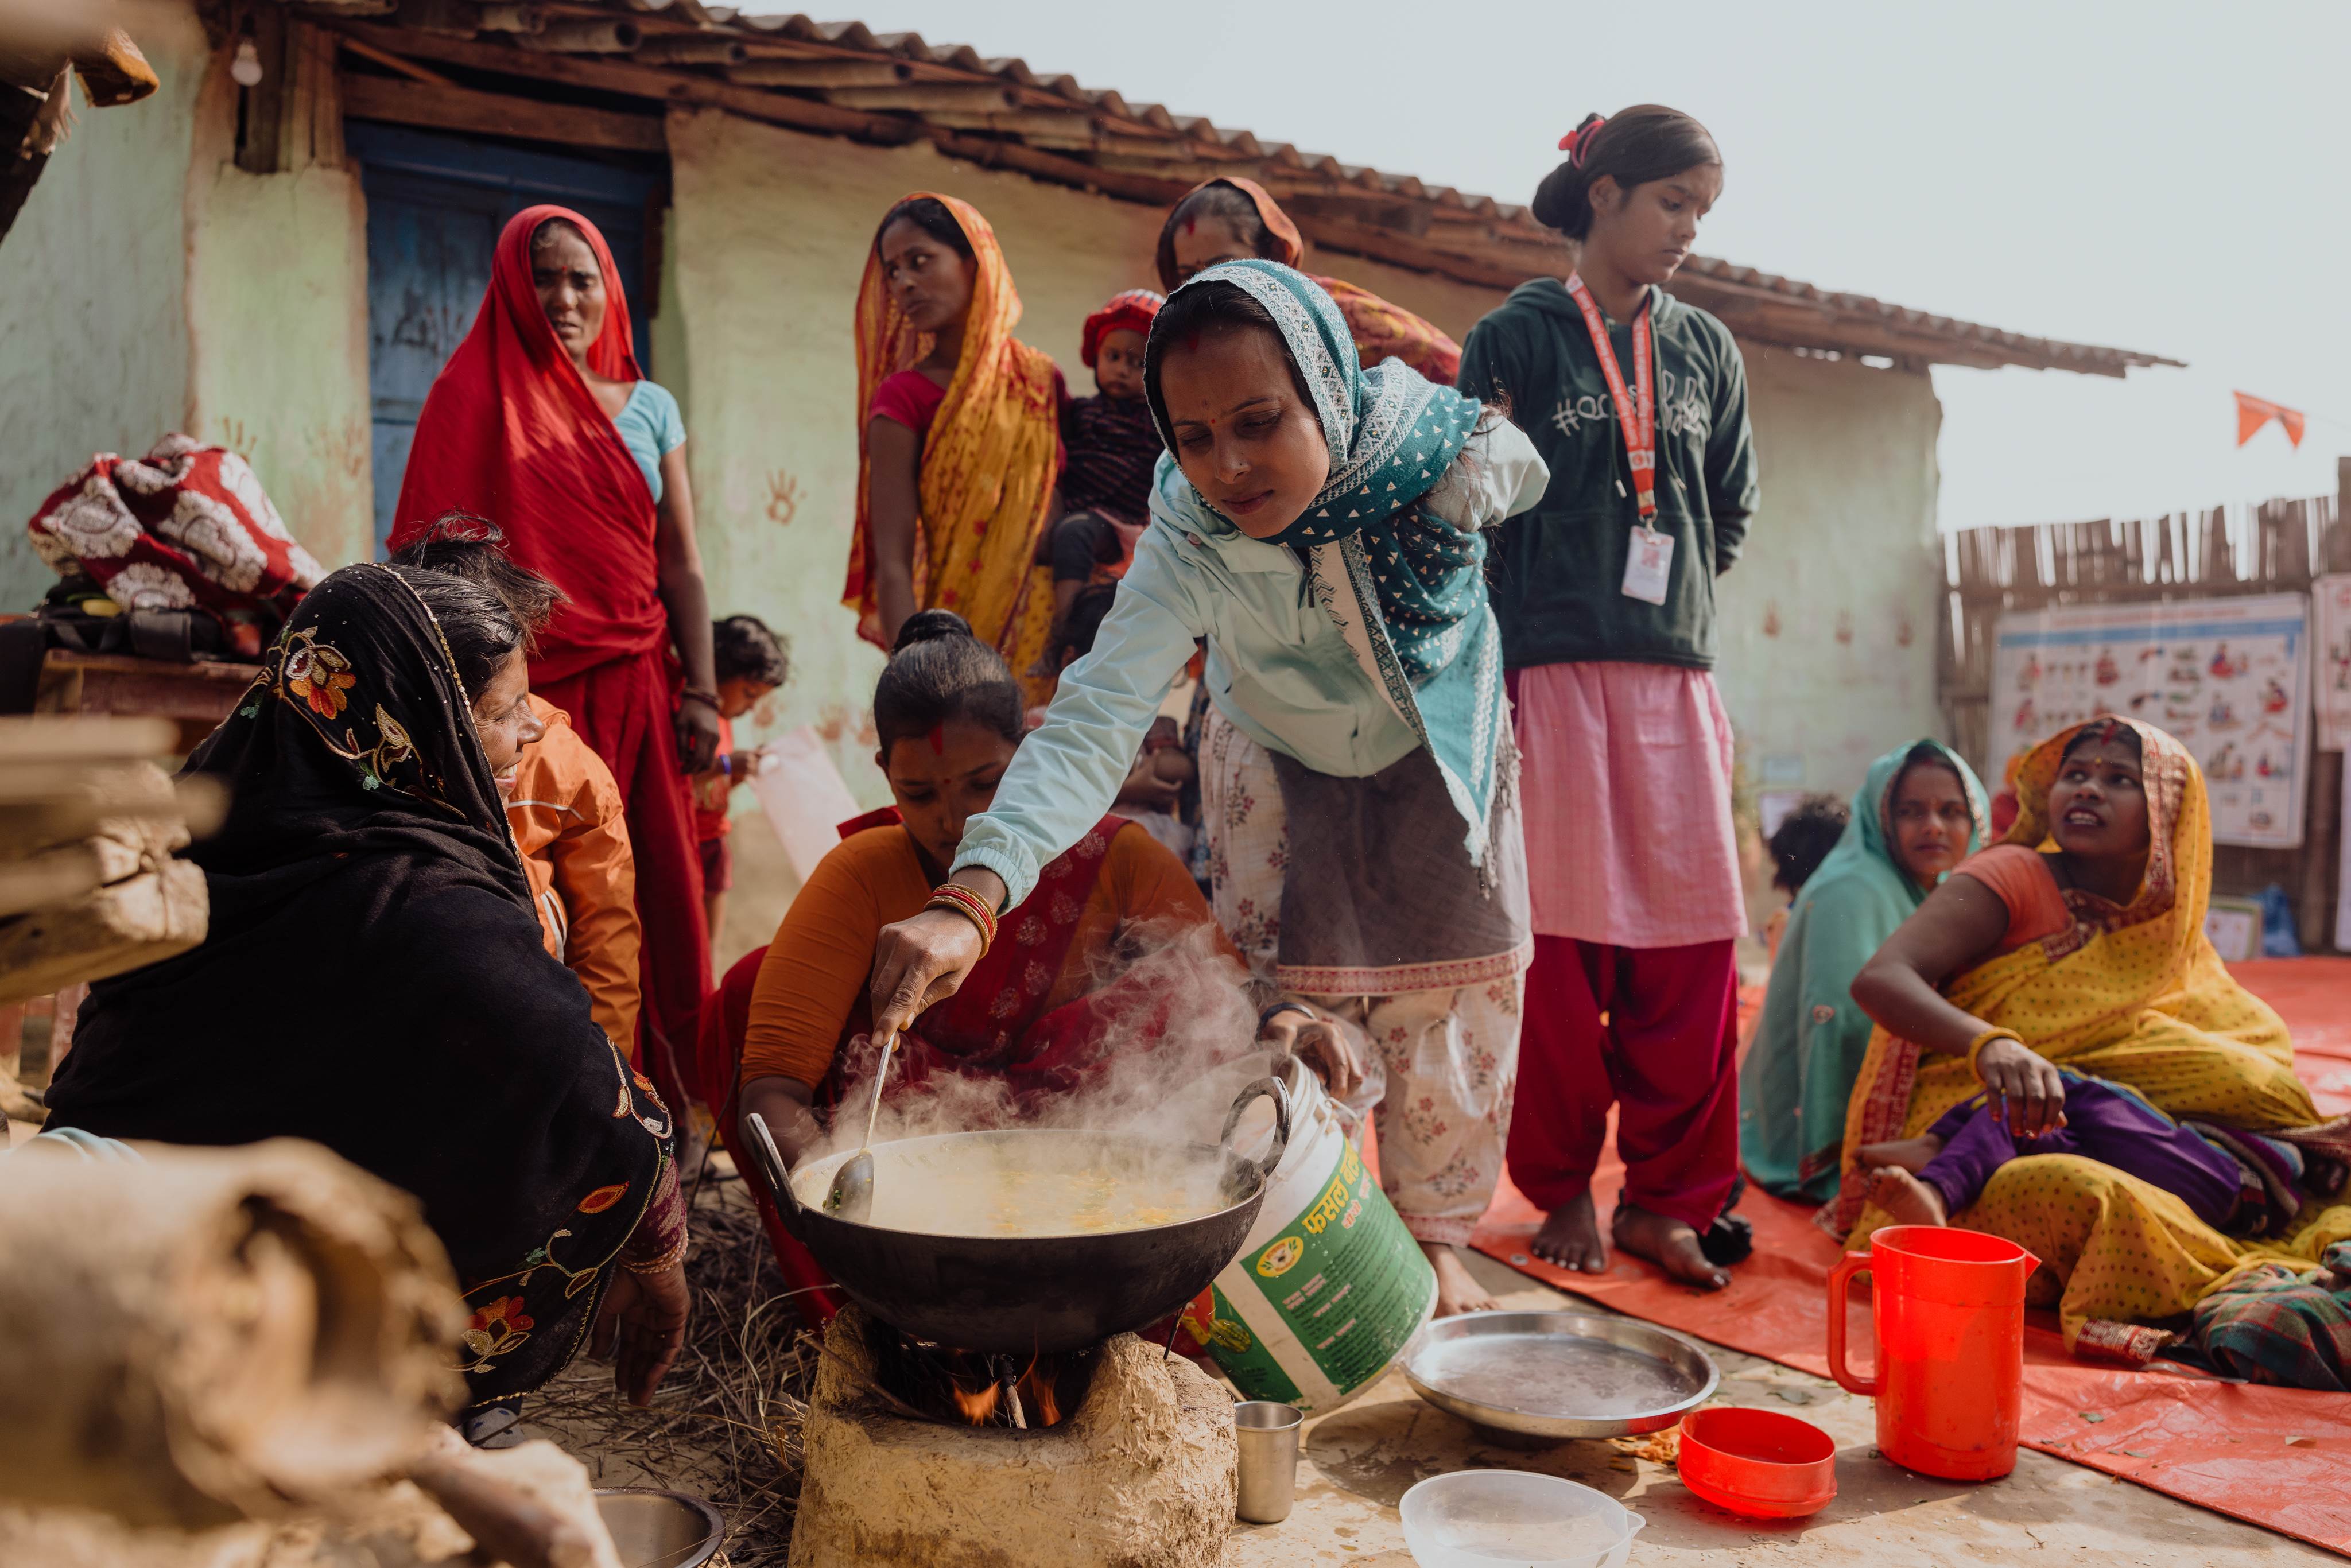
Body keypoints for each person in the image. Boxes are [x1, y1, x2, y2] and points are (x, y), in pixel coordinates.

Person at [864, 262, 1551, 1318]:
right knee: (1289, 1003)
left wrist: (1469, 491)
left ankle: (1439, 1239)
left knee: (1452, 1006)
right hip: (1273, 754)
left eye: (1260, 420)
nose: (1226, 465)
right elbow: (1094, 716)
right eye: (1192, 436)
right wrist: (973, 896)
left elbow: (1526, 463)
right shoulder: (1189, 531)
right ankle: (1332, 1222)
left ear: (1325, 389)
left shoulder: (1421, 441)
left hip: (1437, 747)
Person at [45, 564, 690, 1420]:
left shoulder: (196, 844)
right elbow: (592, 1097)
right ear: (410, 723)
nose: (530, 731)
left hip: (73, 1277)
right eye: (501, 714)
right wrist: (658, 1251)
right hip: (243, 1352)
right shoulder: (430, 915)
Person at [720, 612, 1254, 1290]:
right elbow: (772, 1090)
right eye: (918, 792)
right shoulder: (863, 871)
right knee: (748, 984)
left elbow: (1227, 1021)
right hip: (905, 1183)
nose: (956, 821)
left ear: (1030, 753)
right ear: (883, 773)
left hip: (1094, 1161)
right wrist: (853, 1220)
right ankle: (866, 1328)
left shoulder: (1114, 858)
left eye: (985, 784)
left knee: (1183, 991)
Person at [1458, 106, 1756, 1291]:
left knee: (1690, 954)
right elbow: (1472, 500)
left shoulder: (1708, 350)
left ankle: (1669, 1200)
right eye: (1672, 203)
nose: (1688, 230)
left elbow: (1725, 506)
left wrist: (1659, 594)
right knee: (1561, 954)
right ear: (1602, 196)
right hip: (1549, 673)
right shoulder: (1513, 338)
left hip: (1674, 676)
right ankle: (1563, 1184)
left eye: (1702, 211)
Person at [1839, 718, 2344, 1365]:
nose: (2088, 789)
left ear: (2169, 814)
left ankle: (1944, 1159)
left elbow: (2240, 1057)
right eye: (2074, 774)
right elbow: (1881, 978)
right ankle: (1939, 1176)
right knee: (2071, 1188)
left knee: (2191, 1107)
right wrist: (1993, 1045)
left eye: (2119, 779)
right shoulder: (2015, 874)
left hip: (2177, 1150)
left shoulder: (2164, 927)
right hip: (2001, 1108)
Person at [391, 205, 716, 1116]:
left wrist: (703, 691)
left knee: (648, 891)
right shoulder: (470, 397)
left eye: (585, 278)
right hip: (522, 701)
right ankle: (539, 1103)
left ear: (610, 287)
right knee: (533, 897)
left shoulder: (651, 408)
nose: (567, 298)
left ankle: (666, 1109)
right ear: (510, 286)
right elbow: (435, 569)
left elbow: (681, 562)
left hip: (641, 677)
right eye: (545, 278)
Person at [390, 518, 643, 1051]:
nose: (527, 728)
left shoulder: (565, 771)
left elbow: (608, 952)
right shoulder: (354, 763)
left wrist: (607, 1076)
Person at [1740, 742, 1984, 1204]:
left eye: (1951, 811)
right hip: (1818, 1109)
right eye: (1912, 811)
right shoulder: (1852, 889)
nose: (1933, 826)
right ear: (1882, 820)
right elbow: (1838, 1025)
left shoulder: (1949, 887)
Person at [843, 194, 1064, 698]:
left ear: (973, 262)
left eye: (920, 261)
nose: (904, 284)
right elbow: (893, 560)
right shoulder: (902, 398)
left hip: (1054, 646)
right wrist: (917, 676)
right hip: (956, 647)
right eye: (893, 271)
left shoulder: (1040, 382)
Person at [1155, 178, 1461, 383]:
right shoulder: (1188, 349)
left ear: (1270, 254)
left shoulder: (1326, 314)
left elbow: (1453, 370)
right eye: (1187, 275)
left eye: (1222, 265)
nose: (1205, 284)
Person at [1042, 289, 1166, 665]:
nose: (1122, 370)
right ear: (1095, 357)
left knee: (1073, 533)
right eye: (1112, 357)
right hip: (1080, 511)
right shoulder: (1078, 413)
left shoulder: (1159, 426)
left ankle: (1063, 630)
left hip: (1123, 526)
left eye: (1138, 363)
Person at [692, 614, 790, 953]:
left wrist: (736, 773)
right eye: (749, 694)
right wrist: (725, 764)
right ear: (718, 671)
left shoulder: (723, 723)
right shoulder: (691, 719)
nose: (751, 708)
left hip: (714, 843)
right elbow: (673, 788)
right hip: (687, 845)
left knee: (709, 949)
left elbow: (709, 792)